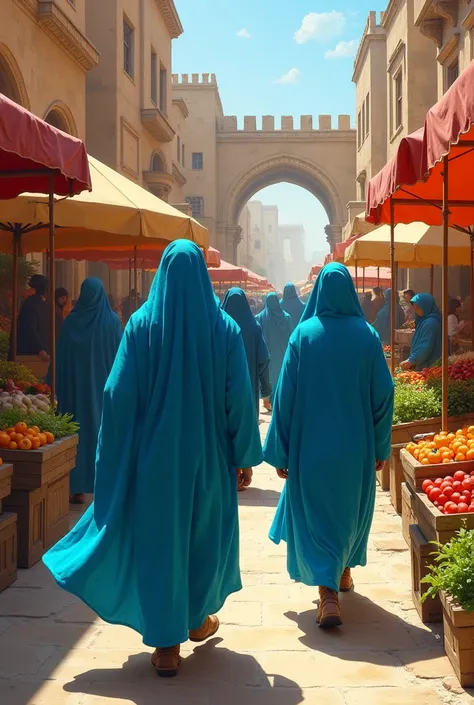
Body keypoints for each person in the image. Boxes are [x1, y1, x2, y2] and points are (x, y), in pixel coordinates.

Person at [43, 241, 263, 678]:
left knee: (162, 543)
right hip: (209, 460)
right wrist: (244, 455)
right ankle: (196, 618)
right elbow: (239, 399)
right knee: (202, 539)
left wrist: (114, 457)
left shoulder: (141, 326)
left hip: (153, 462)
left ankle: (166, 645)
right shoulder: (224, 330)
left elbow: (117, 395)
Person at [264, 263, 394, 628]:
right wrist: (381, 446)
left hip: (311, 450)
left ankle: (328, 594)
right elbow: (383, 395)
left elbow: (284, 397)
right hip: (355, 449)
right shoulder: (367, 336)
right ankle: (344, 571)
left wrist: (280, 450)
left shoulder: (303, 335)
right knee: (349, 511)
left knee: (319, 517)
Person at [54, 278, 122, 504]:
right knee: (102, 435)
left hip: (74, 392)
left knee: (76, 435)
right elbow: (121, 360)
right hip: (104, 392)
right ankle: (103, 484)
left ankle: (75, 488)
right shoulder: (112, 322)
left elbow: (59, 361)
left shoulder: (70, 323)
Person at [222, 288, 271, 417]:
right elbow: (264, 359)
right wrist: (266, 390)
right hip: (248, 388)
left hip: (223, 391)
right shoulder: (254, 327)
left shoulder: (220, 327)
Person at [256, 293, 293, 402]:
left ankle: (269, 400)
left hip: (267, 356)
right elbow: (292, 336)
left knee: (269, 378)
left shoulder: (259, 318)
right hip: (283, 355)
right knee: (281, 377)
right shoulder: (286, 317)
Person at [400, 293, 442, 370]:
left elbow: (426, 345)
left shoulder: (431, 323)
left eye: (418, 307)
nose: (416, 310)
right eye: (414, 308)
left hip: (430, 366)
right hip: (424, 365)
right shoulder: (424, 320)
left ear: (426, 306)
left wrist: (412, 360)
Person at [16, 274, 50, 361]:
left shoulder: (43, 303)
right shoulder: (32, 304)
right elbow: (30, 327)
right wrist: (40, 349)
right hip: (32, 351)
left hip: (42, 348)